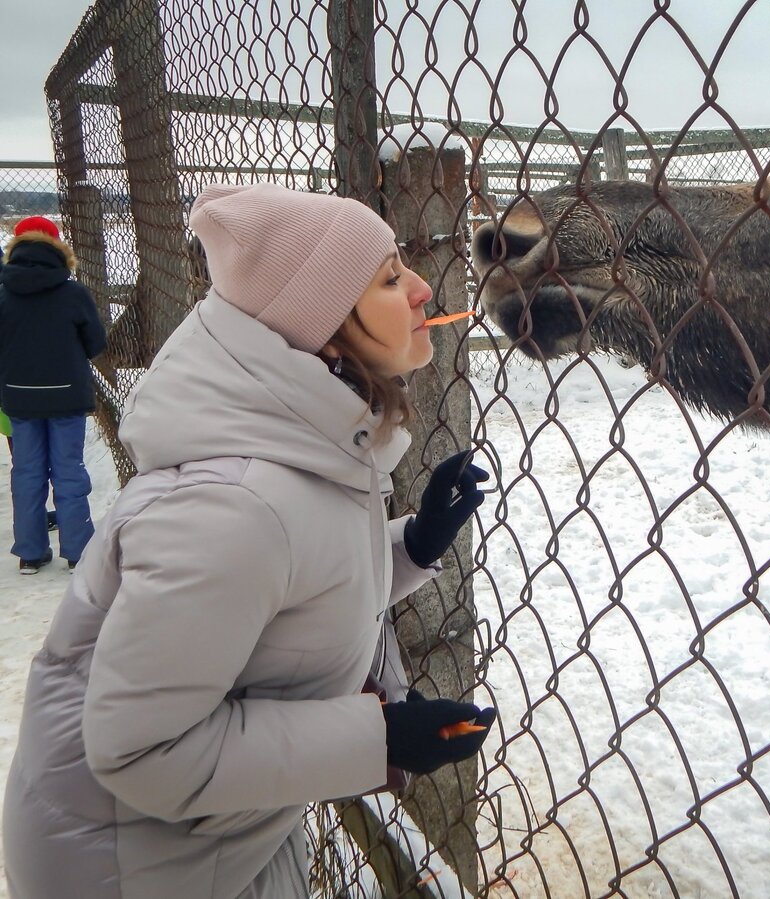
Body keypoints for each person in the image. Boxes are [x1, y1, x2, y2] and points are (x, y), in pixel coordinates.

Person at [3, 183, 497, 898]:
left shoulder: (311, 441)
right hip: (123, 864)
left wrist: (412, 545)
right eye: (391, 277)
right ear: (324, 326)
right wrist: (381, 740)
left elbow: (285, 605)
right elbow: (140, 749)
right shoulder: (232, 511)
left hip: (214, 834)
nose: (424, 289)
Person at [0, 215, 106, 573]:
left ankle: (30, 552)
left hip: (19, 397)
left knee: (27, 471)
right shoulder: (74, 294)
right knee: (68, 470)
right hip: (66, 396)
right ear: (58, 248)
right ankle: (77, 551)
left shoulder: (3, 294)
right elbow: (95, 344)